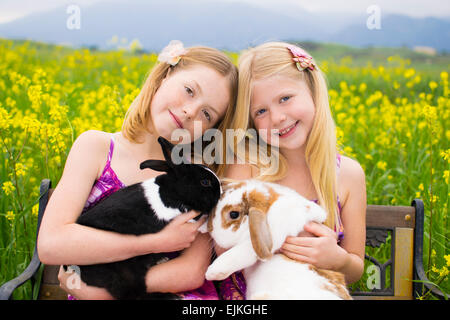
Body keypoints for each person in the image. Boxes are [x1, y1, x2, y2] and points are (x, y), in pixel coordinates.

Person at [37, 40, 238, 300]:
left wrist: (99, 292)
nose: (190, 111)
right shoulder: (96, 148)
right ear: (165, 76)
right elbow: (52, 244)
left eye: (207, 114)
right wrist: (154, 243)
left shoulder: (198, 178)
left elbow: (190, 272)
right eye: (189, 90)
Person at [218, 41, 366, 299]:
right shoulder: (249, 169)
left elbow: (355, 268)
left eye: (285, 99)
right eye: (261, 111)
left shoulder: (348, 175)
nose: (277, 118)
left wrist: (337, 259)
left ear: (312, 90)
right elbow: (223, 248)